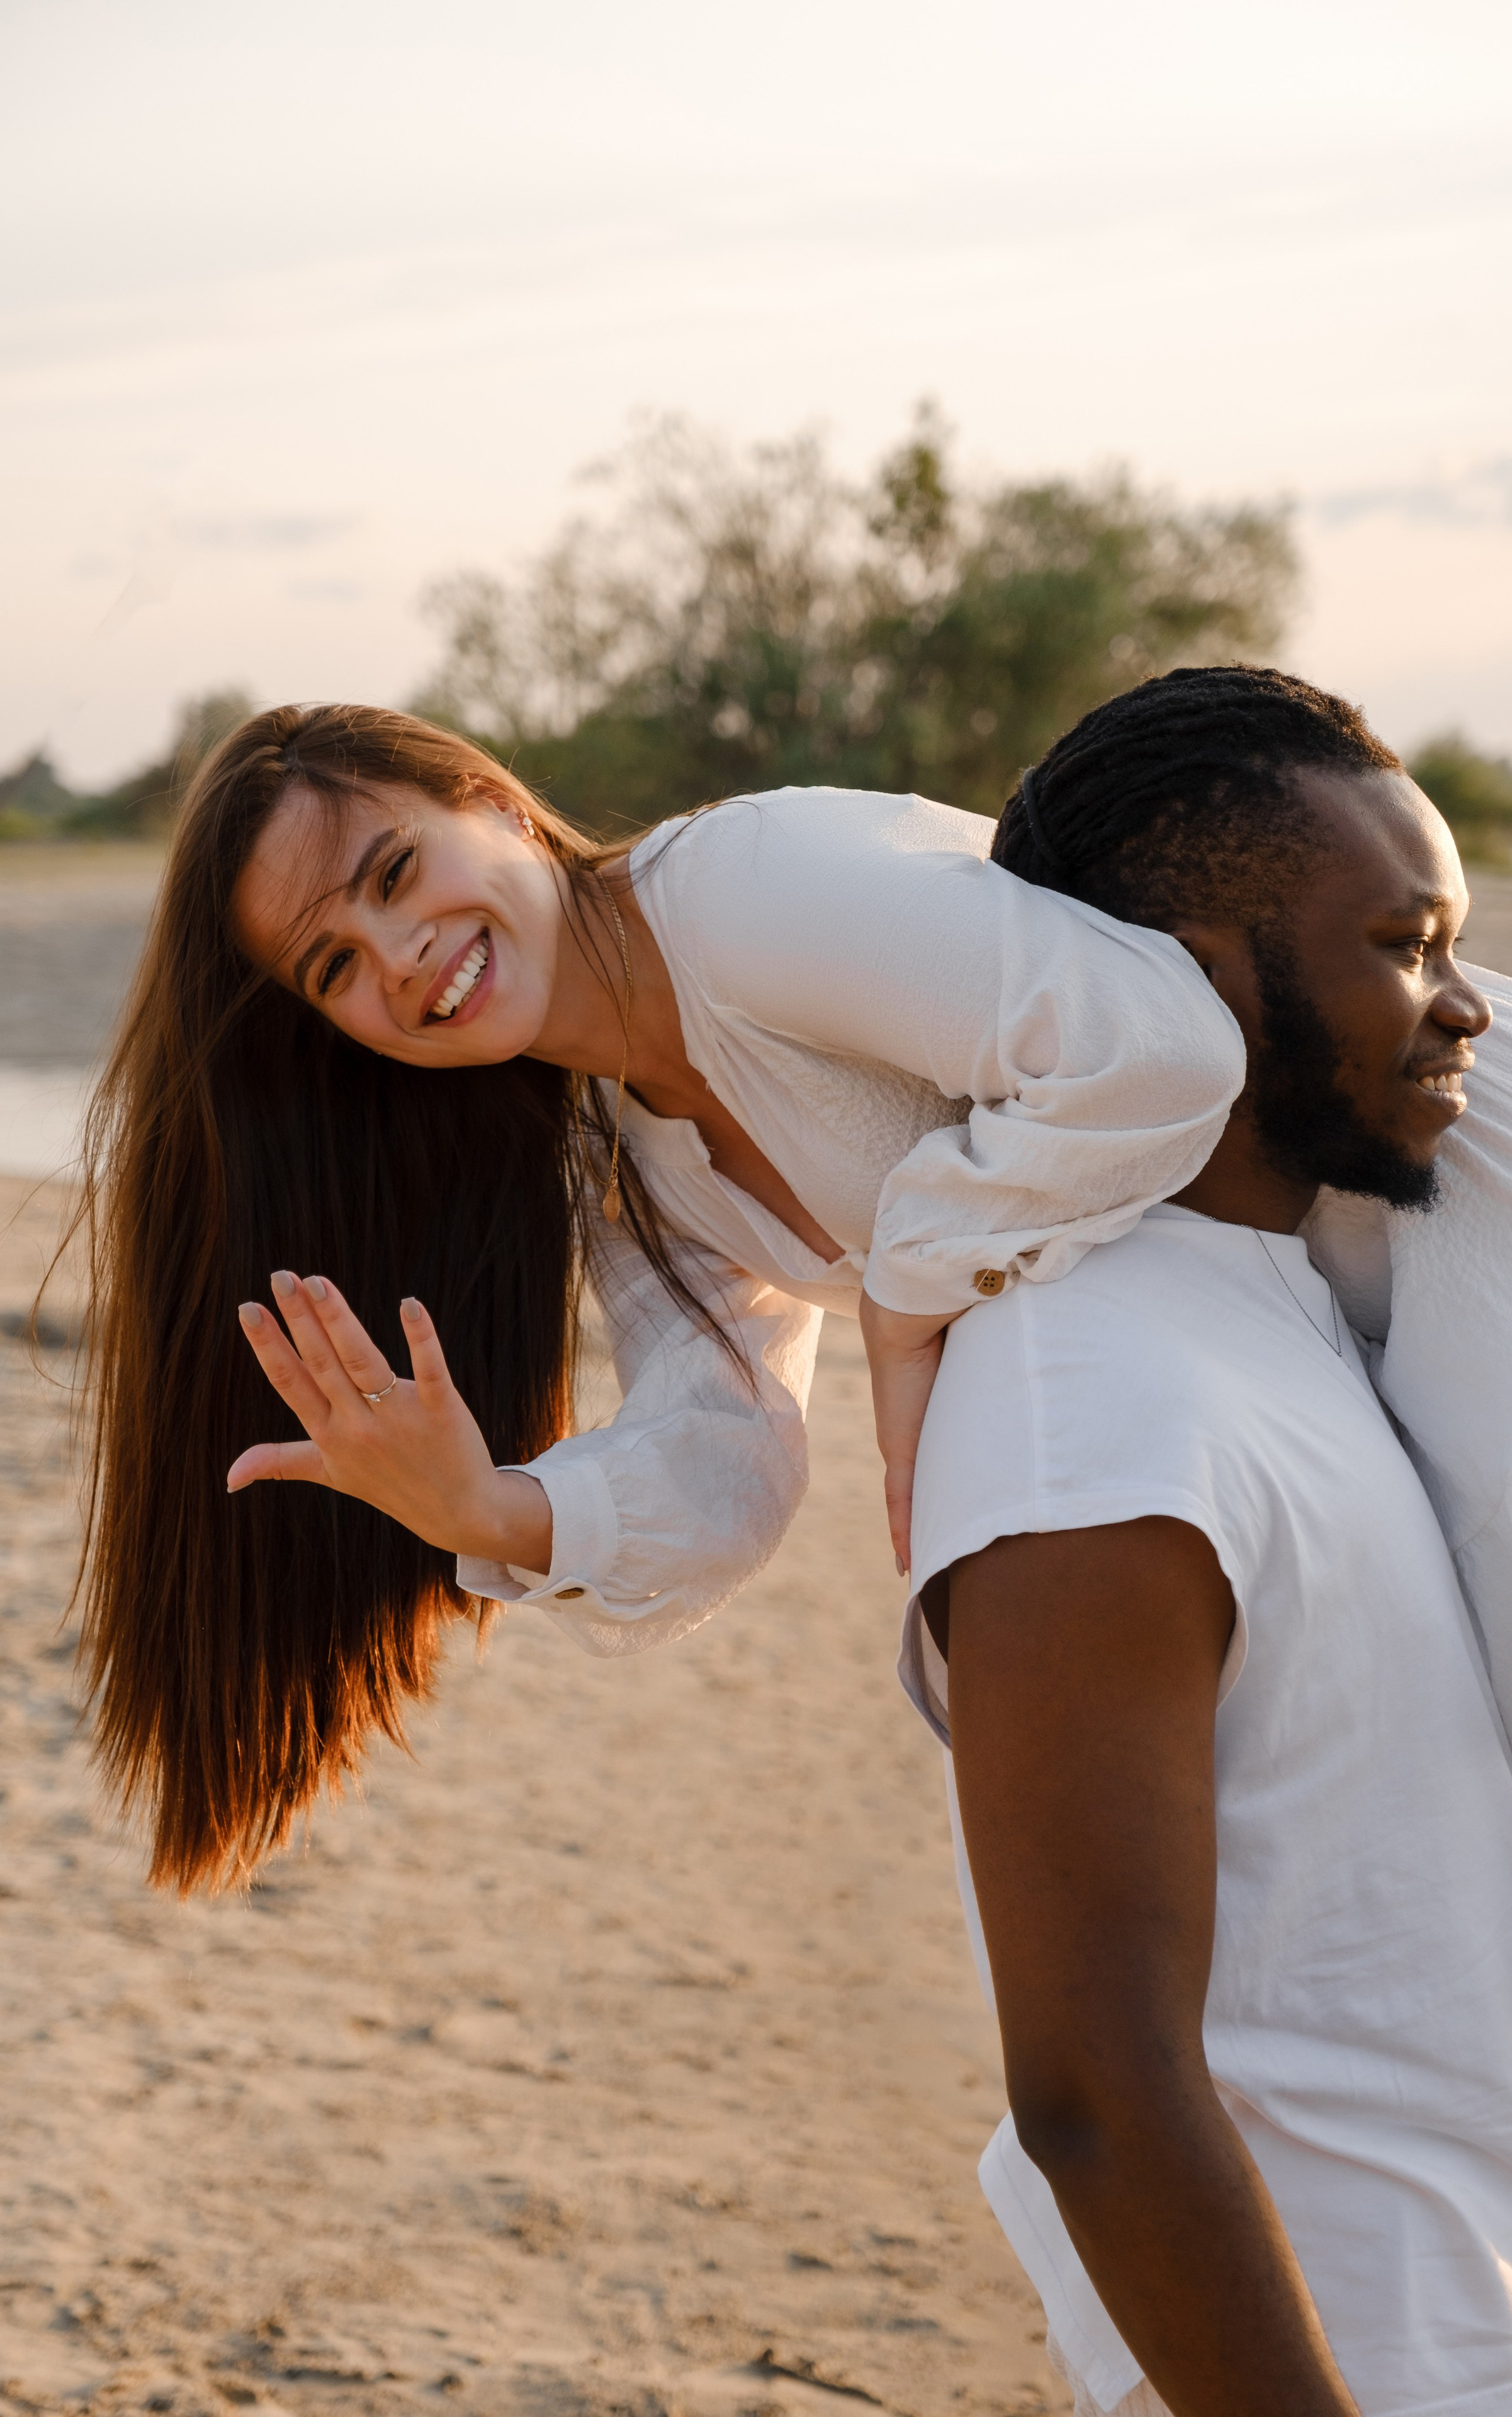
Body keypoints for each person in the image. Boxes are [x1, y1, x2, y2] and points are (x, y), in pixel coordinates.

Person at [77, 702, 1243, 1891]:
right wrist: (488, 1510)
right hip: (1194, 1448)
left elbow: (1162, 1047)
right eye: (336, 968)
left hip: (1375, 1255)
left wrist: (909, 1284)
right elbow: (729, 1447)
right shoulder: (617, 1143)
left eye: (395, 873)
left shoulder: (741, 892)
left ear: (490, 803)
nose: (400, 958)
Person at [903, 675, 1512, 2417]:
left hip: (1486, 2331)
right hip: (1353, 2365)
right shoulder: (1091, 1400)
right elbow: (1094, 2089)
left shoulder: (1291, 1311)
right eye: (1405, 943)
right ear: (1198, 981)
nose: (1464, 1011)